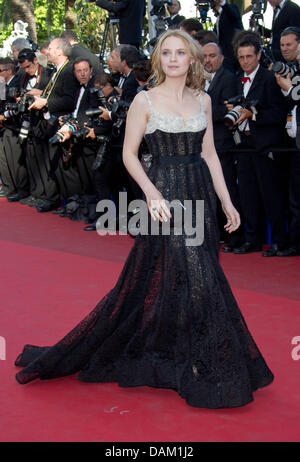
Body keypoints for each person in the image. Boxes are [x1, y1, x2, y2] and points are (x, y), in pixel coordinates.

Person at [15, 29, 274, 409]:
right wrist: (152, 194)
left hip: (199, 191)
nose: (172, 59)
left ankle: (183, 356)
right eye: (165, 53)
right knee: (198, 277)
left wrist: (226, 200)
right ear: (158, 59)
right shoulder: (144, 100)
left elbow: (211, 155)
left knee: (188, 274)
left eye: (180, 53)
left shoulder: (203, 100)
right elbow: (130, 155)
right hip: (164, 197)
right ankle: (207, 366)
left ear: (192, 60)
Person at [227, 33, 288, 256]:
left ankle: (280, 241)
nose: (245, 61)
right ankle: (252, 239)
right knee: (247, 194)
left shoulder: (270, 78)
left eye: (249, 57)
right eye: (241, 57)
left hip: (265, 145)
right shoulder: (235, 78)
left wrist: (252, 115)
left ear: (259, 55)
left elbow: (279, 113)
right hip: (242, 145)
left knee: (271, 195)